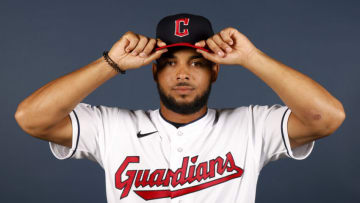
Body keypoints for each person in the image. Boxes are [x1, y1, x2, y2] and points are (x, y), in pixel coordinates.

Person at [14, 13, 345, 203]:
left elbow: (326, 117)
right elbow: (31, 118)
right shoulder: (111, 127)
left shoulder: (252, 126)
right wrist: (111, 62)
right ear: (155, 70)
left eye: (196, 63)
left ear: (215, 69)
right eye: (170, 62)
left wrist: (251, 58)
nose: (183, 73)